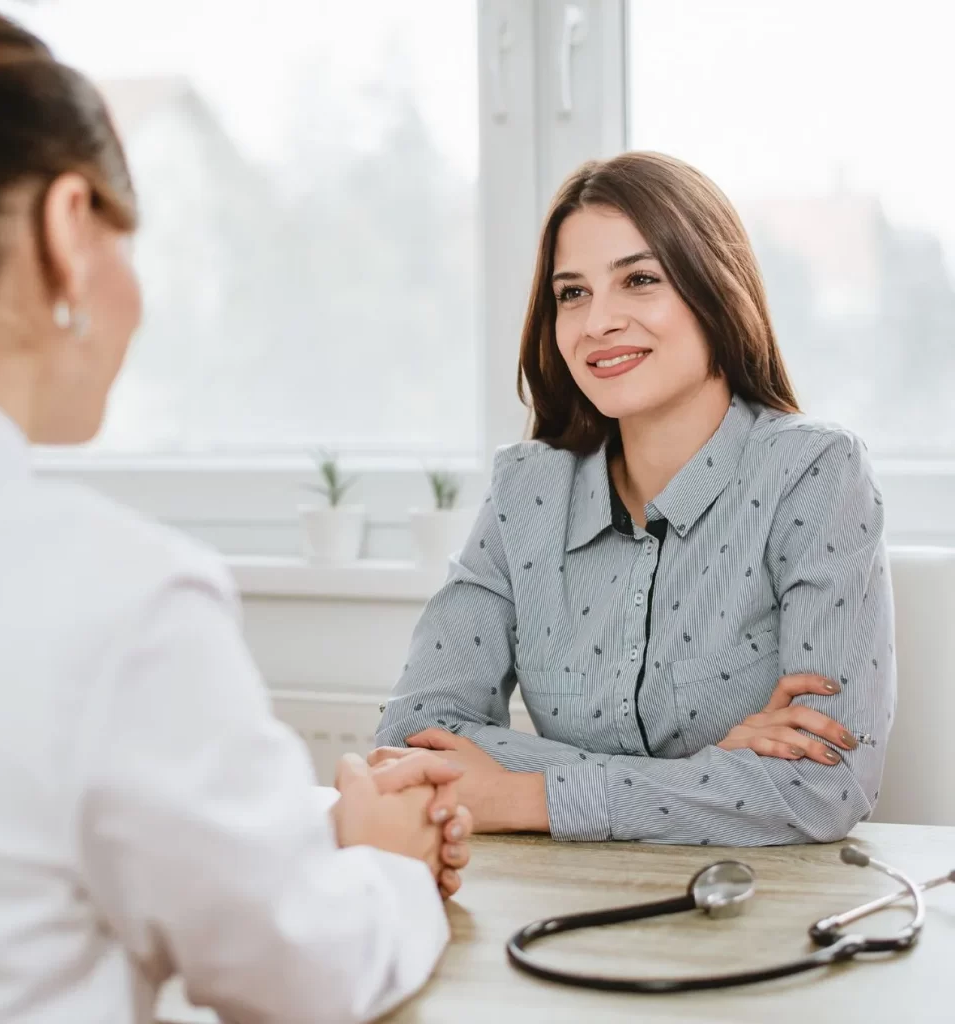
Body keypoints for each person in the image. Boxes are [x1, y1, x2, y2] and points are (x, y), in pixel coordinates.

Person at [0, 4, 471, 1022]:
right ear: (66, 227)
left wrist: (310, 833)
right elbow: (302, 976)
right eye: (129, 244)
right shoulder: (109, 596)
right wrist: (386, 868)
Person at [373, 152, 896, 847]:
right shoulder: (525, 492)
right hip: (570, 903)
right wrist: (710, 775)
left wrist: (526, 796)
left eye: (640, 280)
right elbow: (412, 738)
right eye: (572, 293)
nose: (597, 323)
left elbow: (828, 785)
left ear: (715, 290)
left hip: (761, 914)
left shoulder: (816, 473)